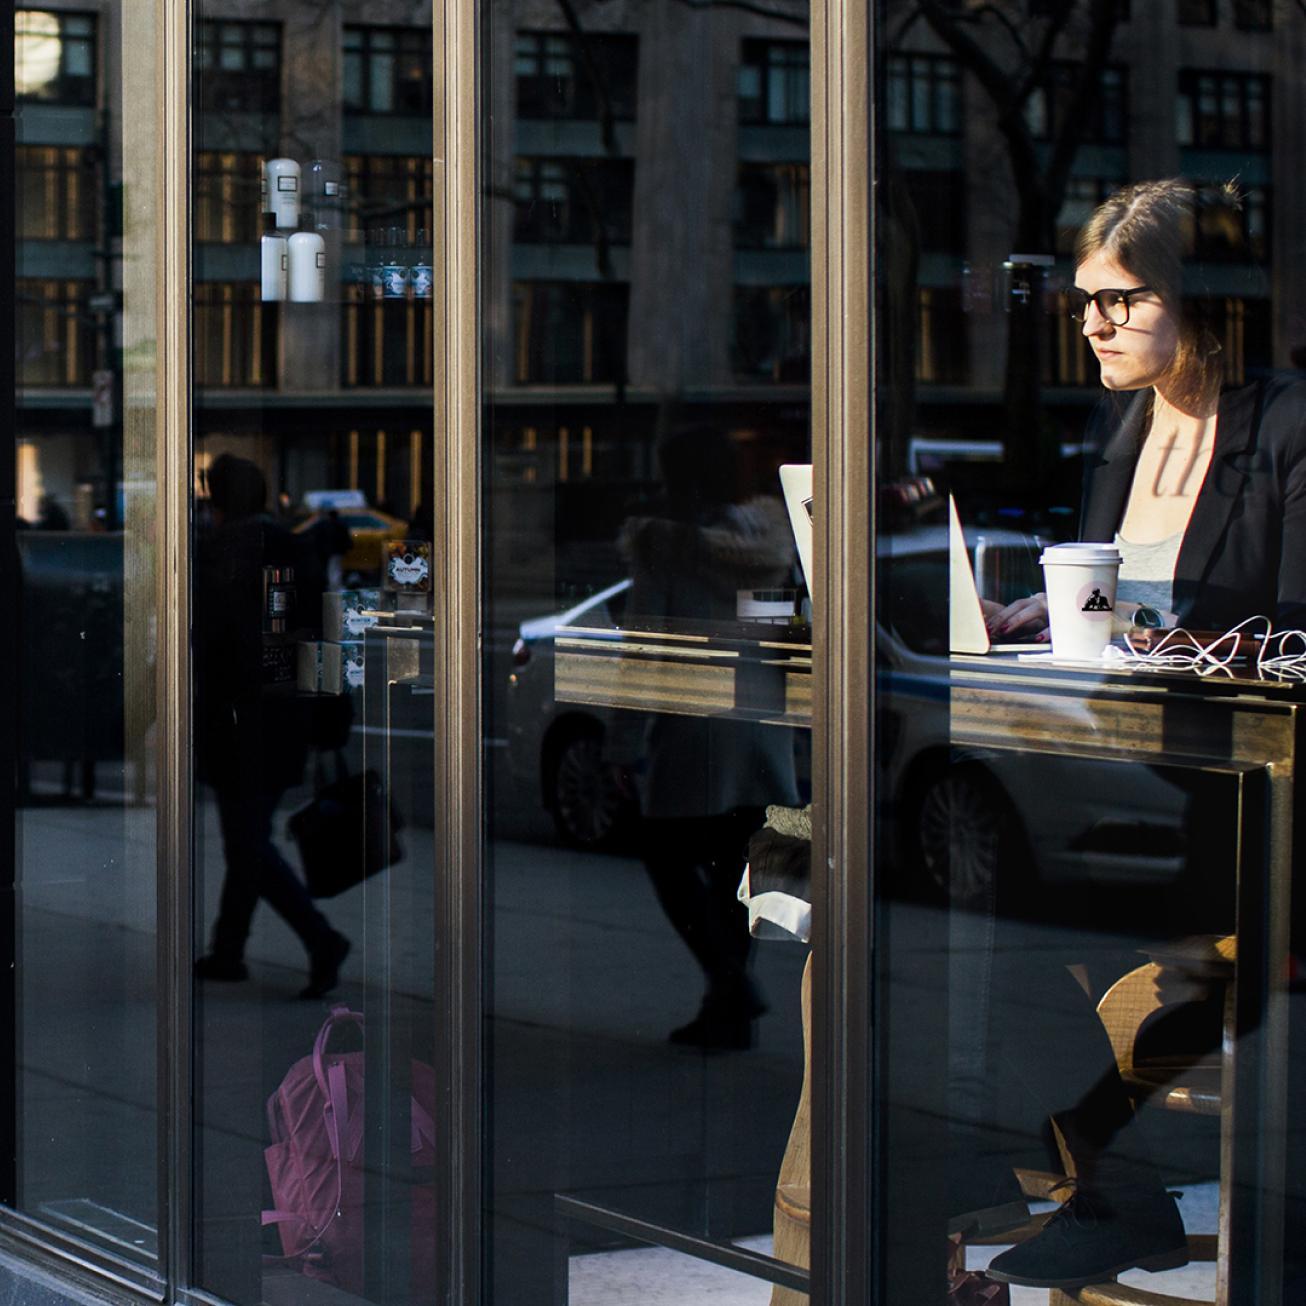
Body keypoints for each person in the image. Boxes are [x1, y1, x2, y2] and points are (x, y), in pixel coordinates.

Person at [969, 178, 1306, 1291]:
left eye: (1121, 300)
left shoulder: (1287, 423)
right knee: (998, 961)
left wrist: (1165, 637)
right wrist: (1047, 619)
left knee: (1164, 989)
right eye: (1082, 301)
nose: (1092, 323)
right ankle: (1109, 1187)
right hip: (1133, 776)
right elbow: (1116, 601)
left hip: (1252, 798)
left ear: (1198, 299)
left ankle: (1108, 1177)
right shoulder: (1120, 426)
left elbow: (1297, 631)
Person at [193, 454, 351, 999]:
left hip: (238, 720)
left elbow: (212, 646)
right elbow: (322, 630)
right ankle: (228, 949)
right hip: (284, 715)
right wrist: (329, 705)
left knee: (246, 843)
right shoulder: (293, 547)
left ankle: (319, 939)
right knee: (247, 839)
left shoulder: (218, 554)